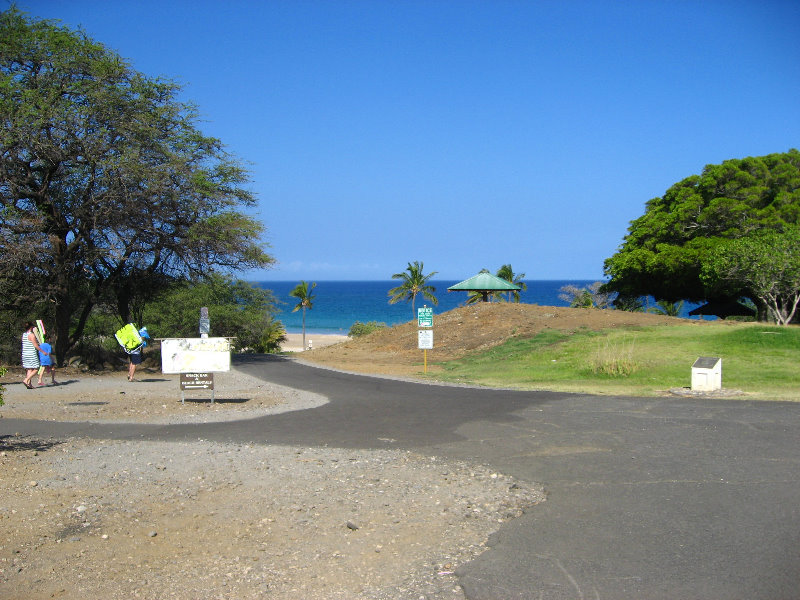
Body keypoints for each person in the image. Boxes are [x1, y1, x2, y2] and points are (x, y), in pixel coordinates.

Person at [21, 322, 47, 389]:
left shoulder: (24, 334)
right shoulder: (31, 335)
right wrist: (43, 351)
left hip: (24, 354)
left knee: (29, 369)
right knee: (36, 368)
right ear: (31, 327)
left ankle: (29, 384)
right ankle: (26, 380)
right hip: (31, 354)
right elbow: (36, 346)